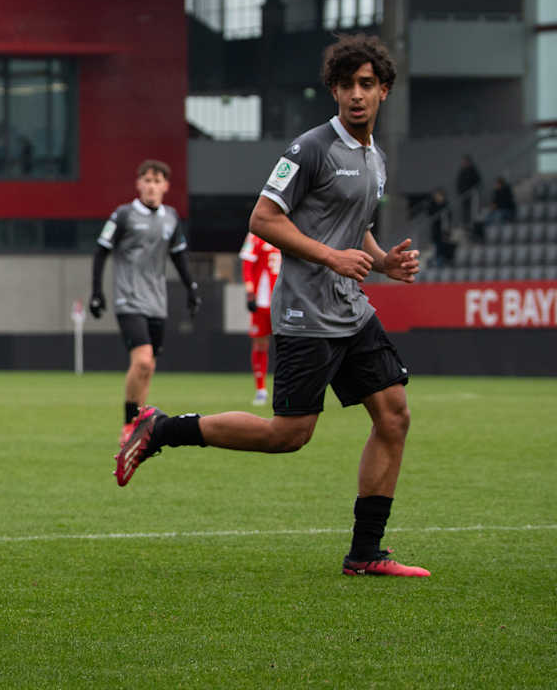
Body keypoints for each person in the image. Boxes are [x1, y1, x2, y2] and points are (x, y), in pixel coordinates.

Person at [115, 34, 429, 578]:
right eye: (347, 84)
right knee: (289, 435)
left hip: (353, 310)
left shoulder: (375, 157)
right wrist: (332, 257)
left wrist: (381, 263)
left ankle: (366, 553)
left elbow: (356, 227)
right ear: (333, 89)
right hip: (308, 312)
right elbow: (263, 220)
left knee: (394, 416)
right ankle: (159, 429)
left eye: (367, 84)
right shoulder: (310, 148)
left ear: (383, 91)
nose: (357, 94)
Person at [87, 159, 200, 455]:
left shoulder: (171, 218)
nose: (151, 186)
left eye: (157, 181)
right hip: (128, 300)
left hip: (157, 303)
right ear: (139, 184)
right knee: (143, 362)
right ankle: (128, 422)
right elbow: (101, 251)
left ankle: (139, 424)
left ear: (166, 186)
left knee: (148, 369)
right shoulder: (123, 215)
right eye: (147, 180)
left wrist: (192, 288)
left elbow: (179, 256)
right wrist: (97, 292)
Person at [239, 231, 281, 405]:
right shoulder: (256, 235)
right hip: (263, 299)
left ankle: (285, 389)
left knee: (289, 345)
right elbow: (247, 265)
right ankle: (261, 389)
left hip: (284, 299)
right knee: (260, 343)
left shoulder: (292, 231)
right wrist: (250, 292)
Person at [455, 154, 481, 228]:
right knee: (465, 211)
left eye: (465, 162)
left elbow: (477, 181)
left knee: (474, 211)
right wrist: (460, 192)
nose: (464, 163)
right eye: (463, 162)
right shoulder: (461, 172)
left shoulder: (473, 170)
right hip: (464, 195)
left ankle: (473, 225)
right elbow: (458, 183)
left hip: (472, 195)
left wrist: (473, 190)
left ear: (469, 162)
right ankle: (466, 224)